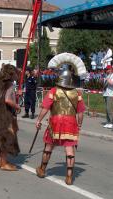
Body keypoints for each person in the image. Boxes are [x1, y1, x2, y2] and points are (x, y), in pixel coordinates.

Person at [35, 53, 86, 185]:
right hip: (71, 122)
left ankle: (42, 169)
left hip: (56, 121)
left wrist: (39, 120)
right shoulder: (77, 93)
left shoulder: (53, 91)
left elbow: (45, 107)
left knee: (49, 146)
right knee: (69, 149)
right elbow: (80, 112)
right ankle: (69, 176)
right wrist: (79, 124)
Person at [0, 64, 21, 171]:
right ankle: (4, 163)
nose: (17, 75)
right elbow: (8, 100)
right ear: (11, 74)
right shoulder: (9, 85)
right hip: (6, 113)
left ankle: (1, 161)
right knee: (6, 136)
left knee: (1, 136)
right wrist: (17, 106)